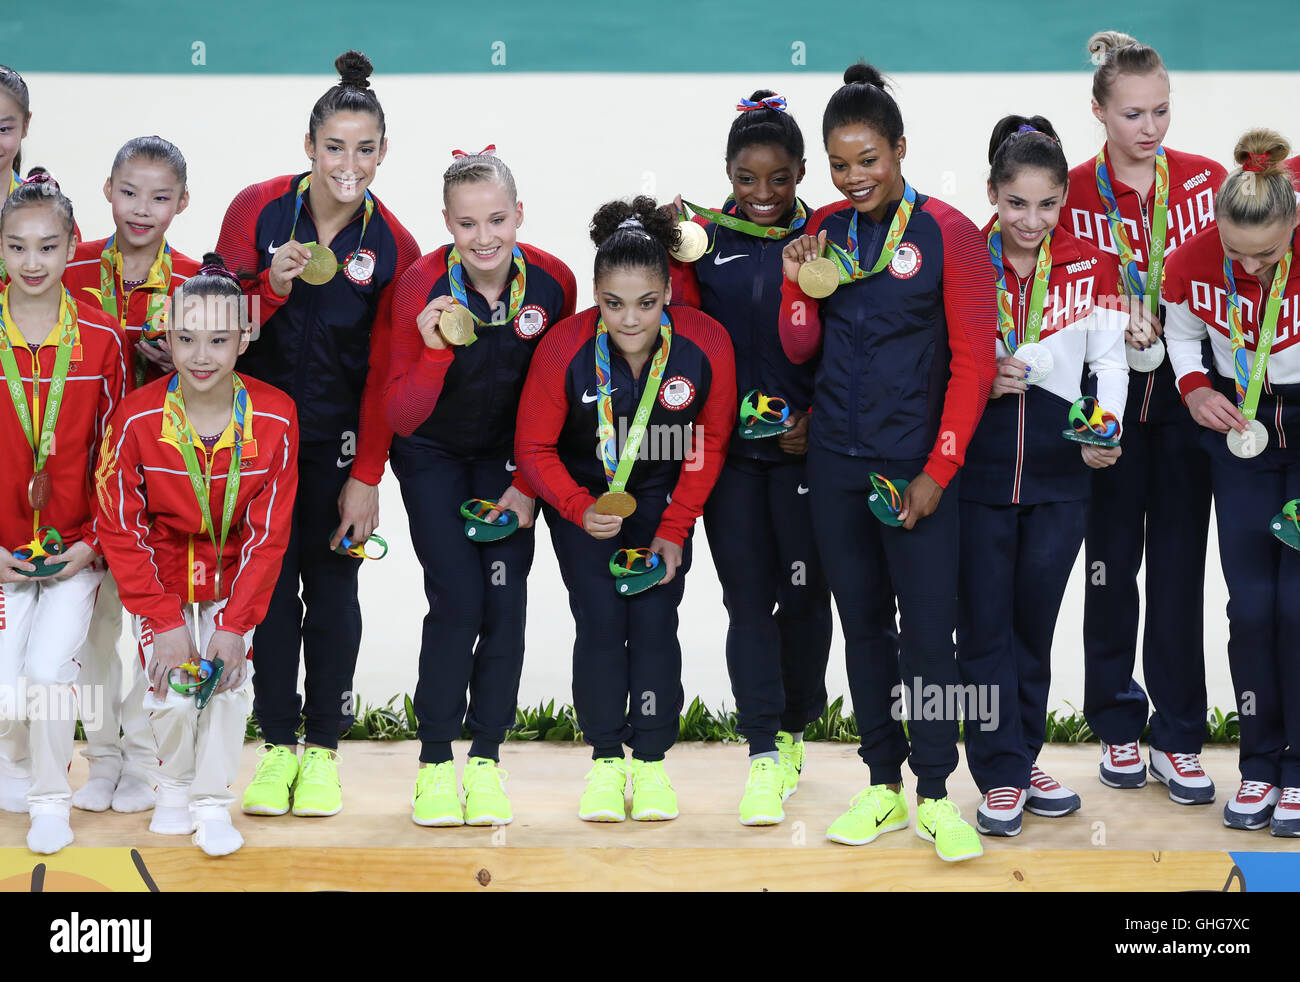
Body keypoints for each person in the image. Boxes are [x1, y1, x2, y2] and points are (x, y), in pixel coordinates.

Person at [778, 63, 997, 862]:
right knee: (862, 626)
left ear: (900, 149)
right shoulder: (825, 230)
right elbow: (801, 344)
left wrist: (938, 471)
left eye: (867, 158)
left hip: (916, 466)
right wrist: (791, 282)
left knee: (930, 637)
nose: (853, 176)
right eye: (839, 163)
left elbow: (975, 364)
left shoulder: (949, 233)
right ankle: (881, 783)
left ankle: (937, 793)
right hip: (836, 464)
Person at [215, 50, 419, 819]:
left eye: (365, 148)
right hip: (252, 443)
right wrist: (269, 285)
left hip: (336, 450)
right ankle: (275, 752)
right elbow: (212, 322)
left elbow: (386, 374)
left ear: (384, 152)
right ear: (309, 146)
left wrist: (368, 474)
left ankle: (325, 752)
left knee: (333, 593)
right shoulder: (258, 209)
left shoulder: (394, 244)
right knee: (266, 594)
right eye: (335, 146)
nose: (350, 163)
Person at [515, 196, 735, 823]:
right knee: (602, 626)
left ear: (669, 290)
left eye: (646, 303)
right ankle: (608, 762)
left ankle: (654, 764)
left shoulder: (707, 343)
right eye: (613, 304)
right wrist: (578, 508)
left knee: (656, 626)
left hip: (663, 501)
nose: (630, 319)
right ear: (595, 295)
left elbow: (708, 442)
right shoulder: (564, 348)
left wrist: (674, 526)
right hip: (585, 502)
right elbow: (531, 447)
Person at [383, 147, 575, 827]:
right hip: (432, 456)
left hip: (508, 462)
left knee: (504, 605)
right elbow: (398, 411)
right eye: (468, 225)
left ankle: (487, 760)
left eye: (497, 219)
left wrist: (527, 484)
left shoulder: (554, 284)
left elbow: (556, 395)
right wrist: (434, 352)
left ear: (519, 214)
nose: (484, 237)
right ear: (447, 224)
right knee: (458, 599)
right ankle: (436, 763)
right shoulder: (416, 286)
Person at [1066, 31, 1227, 802]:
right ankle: (1118, 725)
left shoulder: (1205, 181)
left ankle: (1180, 734)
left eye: (1162, 111)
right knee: (1110, 571)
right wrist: (1107, 311)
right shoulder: (1065, 191)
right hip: (1108, 408)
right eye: (1133, 114)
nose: (1151, 128)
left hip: (1190, 403)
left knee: (1177, 572)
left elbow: (1242, 278)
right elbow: (1042, 295)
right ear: (1098, 110)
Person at [95, 254, 298, 855]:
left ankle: (212, 802)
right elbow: (121, 526)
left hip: (235, 578)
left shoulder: (276, 415)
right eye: (186, 339)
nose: (201, 356)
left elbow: (269, 535)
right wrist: (160, 622)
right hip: (160, 575)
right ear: (167, 335)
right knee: (170, 688)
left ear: (245, 336)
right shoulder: (135, 417)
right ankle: (173, 788)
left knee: (230, 684)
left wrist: (235, 626)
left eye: (218, 339)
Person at [959, 116, 1128, 837]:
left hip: (1063, 478)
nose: (1032, 221)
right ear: (992, 194)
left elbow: (1111, 361)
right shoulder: (962, 257)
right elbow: (934, 352)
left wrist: (1108, 427)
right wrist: (976, 381)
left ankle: (1020, 757)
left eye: (1048, 204)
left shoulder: (1096, 265)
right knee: (984, 631)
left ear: (1065, 198)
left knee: (1034, 627)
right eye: (1016, 203)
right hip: (976, 477)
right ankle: (997, 771)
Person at [667, 91, 832, 826]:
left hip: (806, 452)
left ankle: (796, 726)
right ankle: (763, 751)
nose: (761, 195)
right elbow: (674, 334)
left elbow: (854, 340)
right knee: (747, 600)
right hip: (729, 455)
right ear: (726, 174)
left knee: (804, 596)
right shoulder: (702, 239)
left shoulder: (829, 239)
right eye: (745, 178)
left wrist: (818, 419)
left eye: (778, 178)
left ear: (802, 172)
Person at [1163, 130, 1300, 836]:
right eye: (1235, 252)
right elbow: (1181, 335)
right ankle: (1259, 766)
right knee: (1248, 608)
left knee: (1296, 605)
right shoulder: (1193, 258)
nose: (1247, 266)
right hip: (1237, 436)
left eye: (1267, 255)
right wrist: (1191, 390)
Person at [64, 135, 201, 815]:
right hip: (81, 489)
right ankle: (102, 758)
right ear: (107, 190)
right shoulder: (70, 265)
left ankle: (144, 758)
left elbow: (221, 381)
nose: (141, 209)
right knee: (92, 637)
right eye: (128, 192)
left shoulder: (197, 283)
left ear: (182, 202)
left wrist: (174, 366)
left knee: (155, 628)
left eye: (159, 196)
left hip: (161, 490)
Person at [0, 175, 127, 853]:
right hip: (3, 553)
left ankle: (52, 798)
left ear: (72, 246)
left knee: (50, 676)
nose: (32, 261)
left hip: (75, 549)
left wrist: (96, 544)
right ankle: (13, 764)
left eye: (49, 246)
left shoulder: (103, 340)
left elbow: (118, 457)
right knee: (4, 697)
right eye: (16, 246)